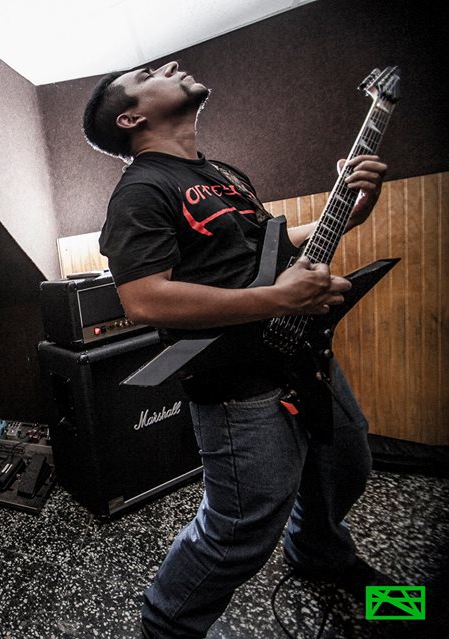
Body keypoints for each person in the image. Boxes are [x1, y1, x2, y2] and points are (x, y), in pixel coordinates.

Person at [82, 61, 389, 638]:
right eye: (149, 74)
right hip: (236, 386)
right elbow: (145, 299)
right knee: (240, 529)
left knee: (347, 464)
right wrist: (278, 299)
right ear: (130, 118)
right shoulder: (141, 191)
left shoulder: (221, 173)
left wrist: (349, 212)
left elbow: (270, 245)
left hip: (302, 356)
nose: (171, 66)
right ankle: (166, 625)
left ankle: (320, 553)